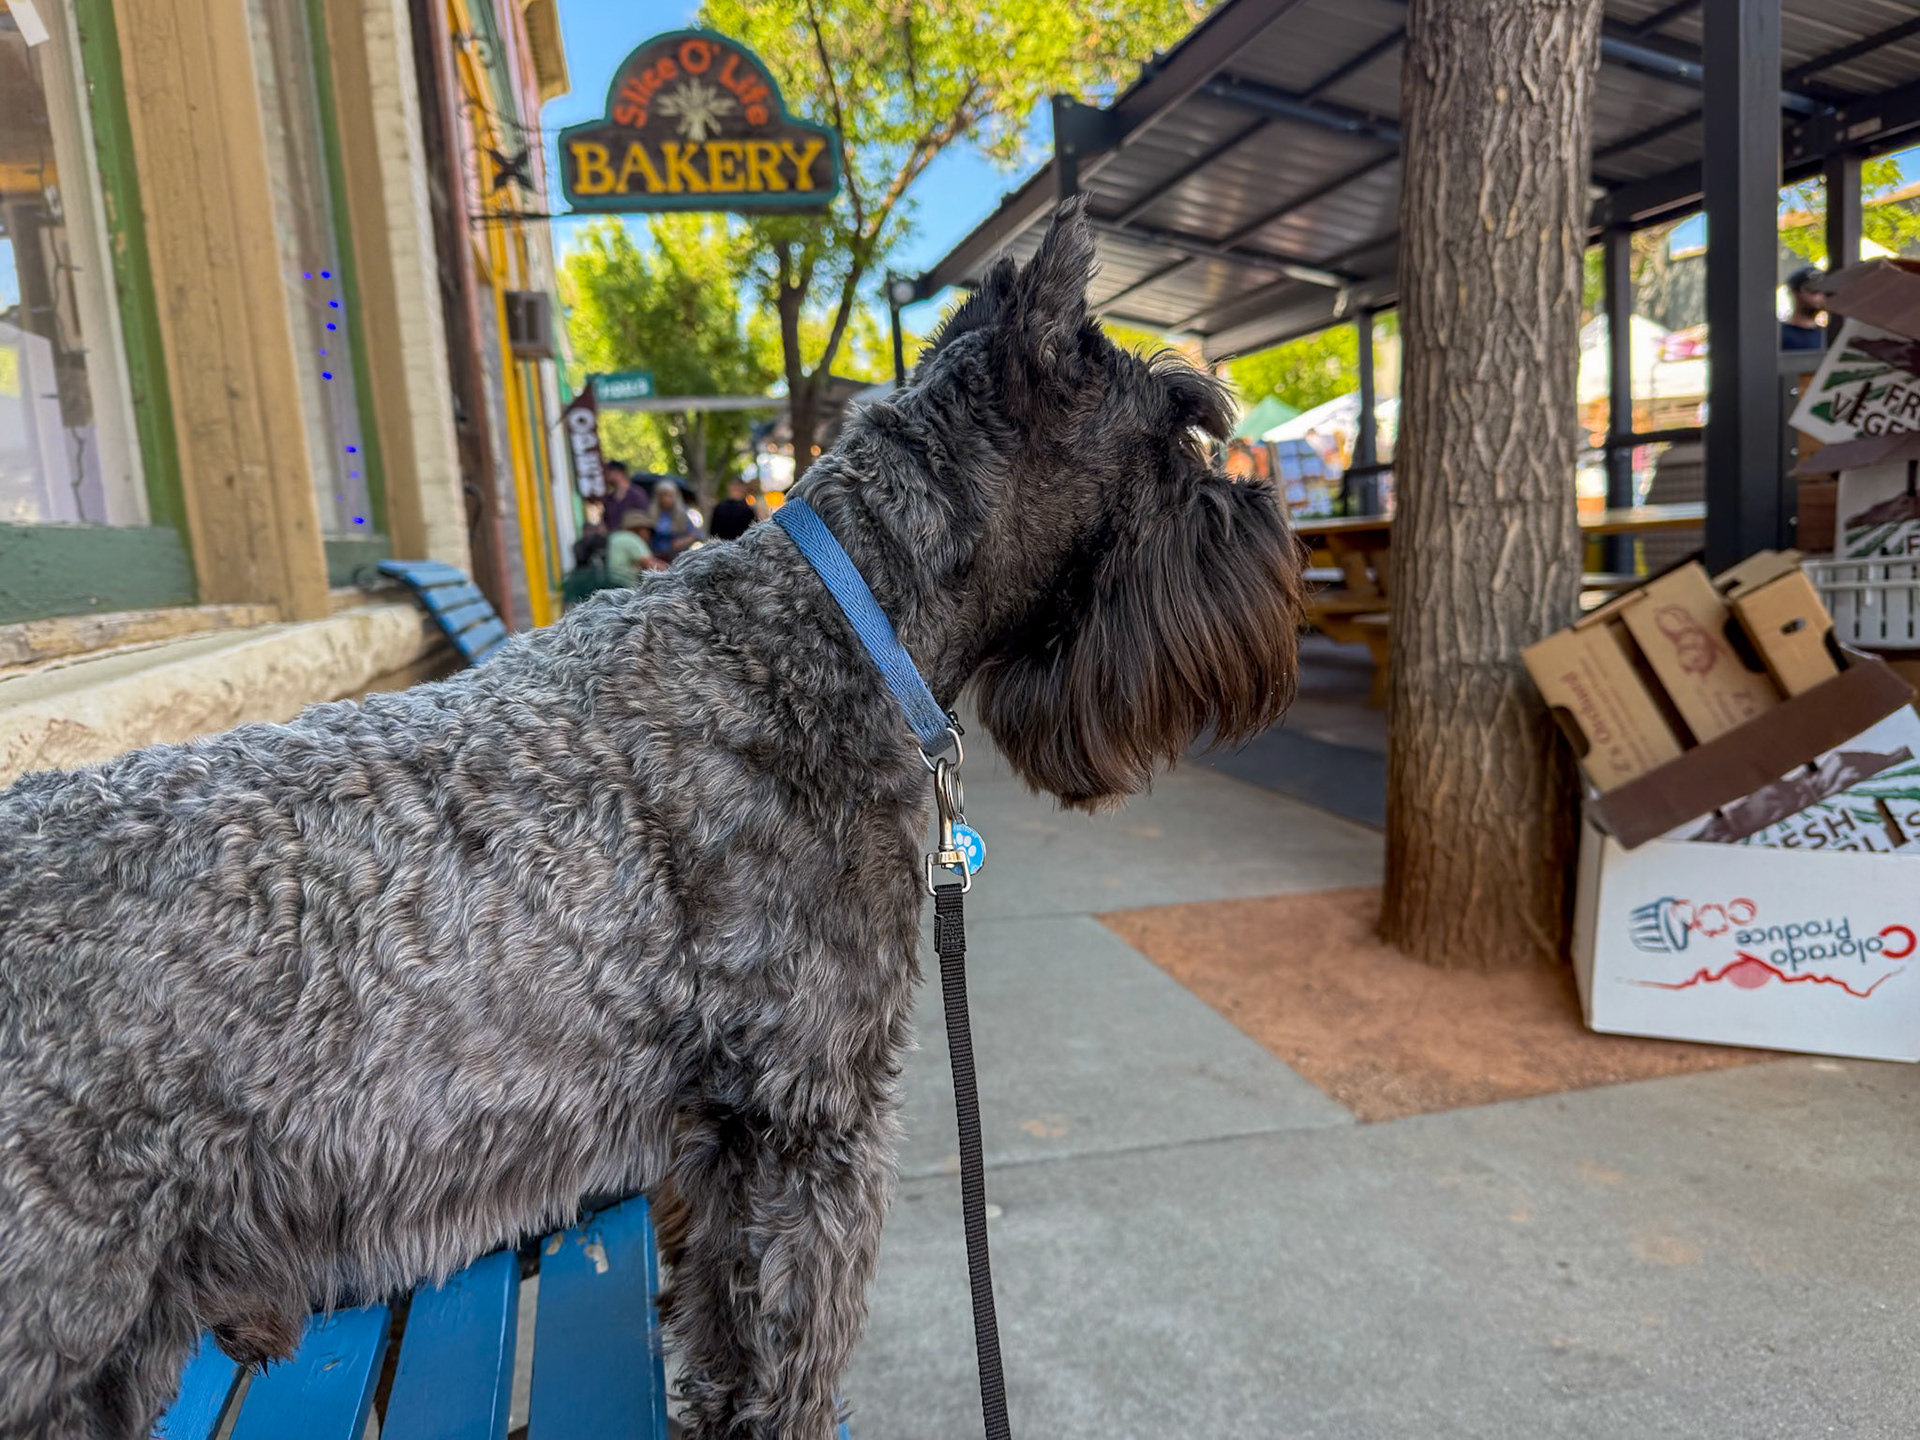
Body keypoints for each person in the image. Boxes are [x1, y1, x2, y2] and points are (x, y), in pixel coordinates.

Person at [647, 479, 704, 562]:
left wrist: (681, 542)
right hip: (655, 555)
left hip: (678, 556)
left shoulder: (686, 514)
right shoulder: (651, 513)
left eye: (668, 495)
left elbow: (698, 535)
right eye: (661, 495)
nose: (665, 499)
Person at [1781, 265, 1831, 352]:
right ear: (1794, 293)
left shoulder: (1828, 336)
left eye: (1824, 290)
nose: (1821, 296)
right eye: (1814, 290)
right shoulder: (1780, 336)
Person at [605, 509, 656, 586]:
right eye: (647, 530)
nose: (649, 535)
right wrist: (671, 570)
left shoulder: (614, 537)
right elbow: (649, 564)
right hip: (626, 587)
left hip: (610, 584)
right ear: (640, 529)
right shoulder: (631, 538)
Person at [600, 461, 650, 535]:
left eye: (608, 472)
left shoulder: (637, 495)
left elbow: (644, 520)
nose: (606, 476)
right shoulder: (609, 499)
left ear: (619, 473)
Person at [709, 476, 759, 541]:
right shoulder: (748, 509)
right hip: (742, 548)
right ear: (742, 488)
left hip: (722, 547)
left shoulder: (719, 507)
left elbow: (712, 533)